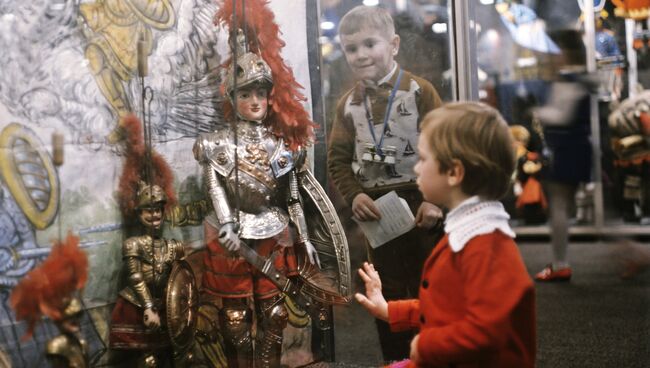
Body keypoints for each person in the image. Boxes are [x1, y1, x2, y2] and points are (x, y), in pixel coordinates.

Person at [193, 1, 339, 366]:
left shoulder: (280, 145)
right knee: (236, 322)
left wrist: (305, 239)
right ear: (232, 97)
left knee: (275, 315)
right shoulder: (216, 143)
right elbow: (214, 187)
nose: (255, 101)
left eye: (260, 93)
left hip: (274, 232)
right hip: (233, 237)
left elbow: (291, 199)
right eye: (245, 94)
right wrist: (226, 222)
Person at [355, 102, 536, 367]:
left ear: (454, 172)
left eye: (423, 159)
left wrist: (425, 344)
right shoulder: (468, 231)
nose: (416, 168)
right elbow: (447, 307)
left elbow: (486, 332)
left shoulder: (486, 245)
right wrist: (389, 310)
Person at [327, 5, 444, 362]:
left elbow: (444, 149)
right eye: (351, 48)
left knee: (433, 285)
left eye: (369, 44)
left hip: (423, 205)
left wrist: (436, 200)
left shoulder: (420, 91)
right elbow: (337, 160)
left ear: (393, 44)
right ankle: (396, 361)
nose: (360, 55)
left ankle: (437, 357)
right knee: (388, 294)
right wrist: (355, 194)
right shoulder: (347, 105)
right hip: (378, 214)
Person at [533, 29, 594, 281]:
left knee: (558, 206)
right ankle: (632, 253)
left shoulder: (569, 80)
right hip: (576, 148)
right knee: (563, 205)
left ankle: (559, 264)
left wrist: (537, 112)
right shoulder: (580, 79)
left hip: (566, 150)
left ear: (566, 52)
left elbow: (562, 115)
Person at [11, 234, 90, 368]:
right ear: (59, 320)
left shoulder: (81, 342)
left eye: (77, 316)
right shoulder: (56, 347)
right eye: (70, 318)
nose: (75, 321)